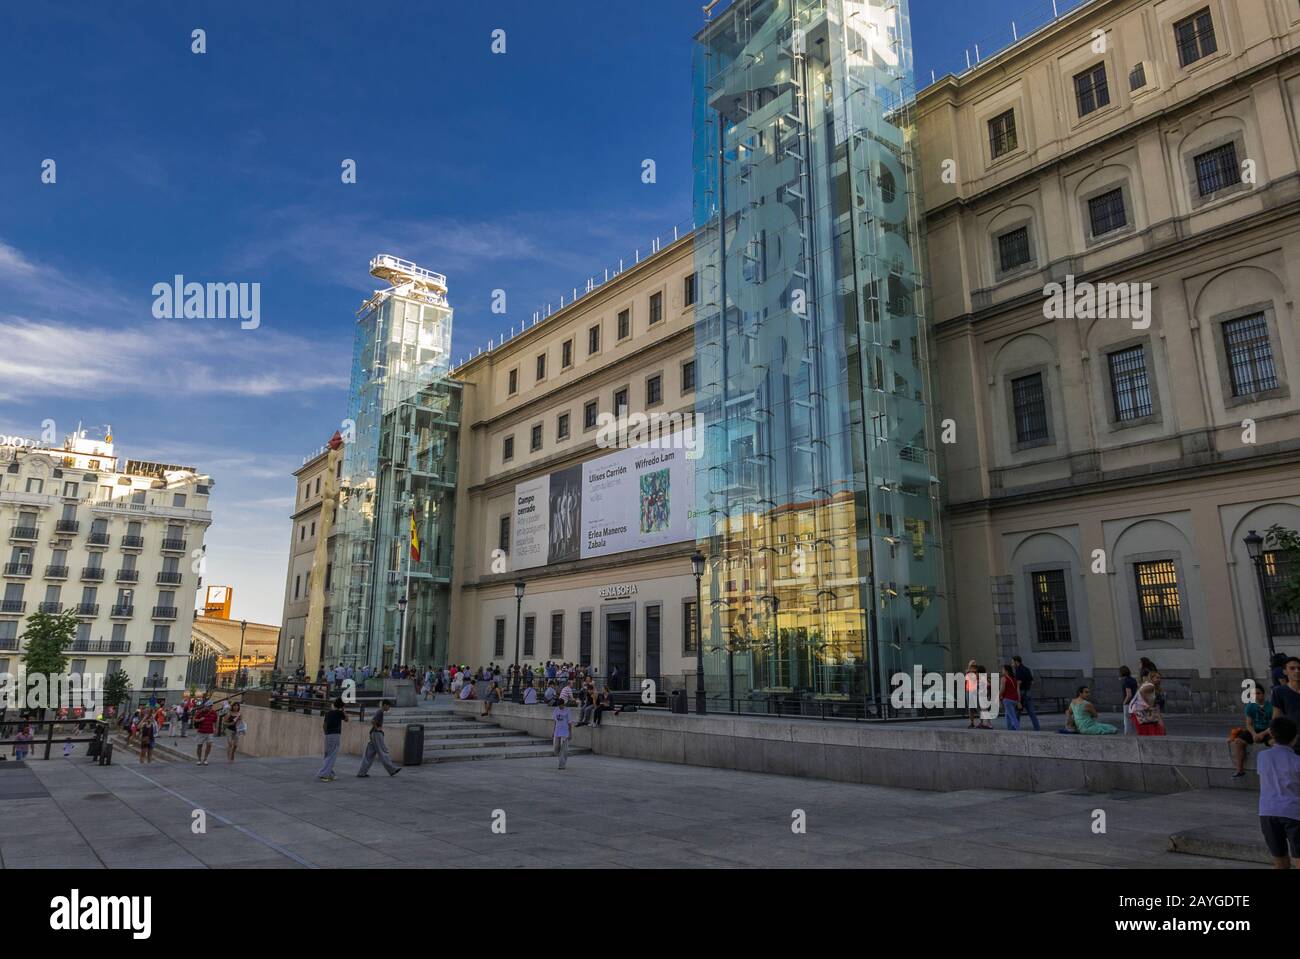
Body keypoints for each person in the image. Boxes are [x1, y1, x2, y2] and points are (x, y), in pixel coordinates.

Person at [1257, 716, 1300, 869]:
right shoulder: (1297, 761)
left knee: (1279, 857)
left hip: (1267, 812)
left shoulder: (1262, 757)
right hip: (1293, 813)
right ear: (1295, 738)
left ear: (1272, 735)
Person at [1229, 685, 1273, 779]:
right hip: (1255, 730)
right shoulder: (1250, 706)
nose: (1256, 696)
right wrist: (1254, 734)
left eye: (1258, 693)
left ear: (1263, 694)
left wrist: (1262, 734)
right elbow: (1249, 724)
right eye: (1253, 694)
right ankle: (1240, 770)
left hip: (1268, 730)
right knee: (1238, 742)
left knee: (1275, 743)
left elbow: (1274, 724)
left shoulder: (1271, 706)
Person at [357, 701, 401, 777]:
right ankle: (392, 769)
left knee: (369, 754)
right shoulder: (380, 712)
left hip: (373, 734)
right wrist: (377, 728)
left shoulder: (379, 712)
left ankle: (361, 772)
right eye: (388, 706)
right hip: (377, 734)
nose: (389, 708)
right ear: (385, 705)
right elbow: (373, 721)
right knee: (383, 751)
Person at [1271, 658, 1300, 752]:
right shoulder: (1279, 691)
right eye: (1292, 668)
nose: (1297, 671)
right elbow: (1276, 717)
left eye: (1299, 668)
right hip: (1293, 739)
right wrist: (1275, 738)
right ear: (1285, 671)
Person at [318, 697, 348, 782]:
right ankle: (324, 774)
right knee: (332, 755)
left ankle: (330, 773)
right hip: (335, 735)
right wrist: (343, 710)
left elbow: (324, 725)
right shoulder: (339, 713)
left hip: (328, 735)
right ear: (341, 706)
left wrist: (326, 733)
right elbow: (347, 719)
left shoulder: (328, 713)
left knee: (328, 755)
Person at [1130, 671, 1166, 736]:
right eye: (1157, 678)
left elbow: (1140, 691)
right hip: (1141, 711)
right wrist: (1146, 703)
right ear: (1151, 678)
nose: (1159, 680)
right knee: (1150, 731)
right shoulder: (1151, 686)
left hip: (1139, 711)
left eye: (1160, 678)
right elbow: (1141, 691)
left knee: (1148, 731)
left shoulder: (1149, 685)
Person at [1010, 656, 1039, 731]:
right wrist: (1027, 686)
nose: (1012, 664)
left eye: (1012, 662)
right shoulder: (1027, 669)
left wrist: (1018, 698)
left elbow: (1018, 684)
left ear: (1017, 662)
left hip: (1021, 693)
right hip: (1028, 692)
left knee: (1017, 713)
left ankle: (1015, 729)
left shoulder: (1018, 671)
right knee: (1032, 713)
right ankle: (1037, 728)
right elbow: (1032, 682)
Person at [193, 700, 218, 765]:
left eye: (210, 706)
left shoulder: (214, 713)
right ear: (205, 706)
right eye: (208, 706)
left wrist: (215, 728)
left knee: (209, 745)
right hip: (201, 731)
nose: (209, 707)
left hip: (210, 731)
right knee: (199, 745)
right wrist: (199, 720)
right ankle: (199, 759)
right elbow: (194, 719)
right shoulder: (200, 712)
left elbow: (215, 721)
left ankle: (205, 759)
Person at [553, 696, 573, 770]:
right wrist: (553, 731)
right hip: (557, 731)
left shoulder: (568, 711)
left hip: (565, 732)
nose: (560, 707)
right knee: (556, 749)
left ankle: (562, 764)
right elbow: (555, 721)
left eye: (560, 706)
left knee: (563, 749)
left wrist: (570, 733)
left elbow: (570, 723)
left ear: (563, 704)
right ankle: (561, 759)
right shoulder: (556, 710)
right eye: (559, 706)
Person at [1000, 664, 1020, 731]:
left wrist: (998, 696)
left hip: (1007, 699)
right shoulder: (1014, 679)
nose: (1002, 671)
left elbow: (1002, 689)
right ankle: (1010, 731)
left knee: (1012, 717)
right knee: (1007, 716)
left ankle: (1018, 731)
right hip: (1014, 700)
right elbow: (1017, 690)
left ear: (1006, 671)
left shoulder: (1004, 678)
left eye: (1003, 669)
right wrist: (1019, 700)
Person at [1119, 666, 1139, 735]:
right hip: (1135, 702)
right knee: (1134, 720)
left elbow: (1129, 694)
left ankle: (1127, 735)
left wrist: (1124, 702)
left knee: (1127, 721)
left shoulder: (1126, 681)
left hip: (1128, 703)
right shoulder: (1133, 679)